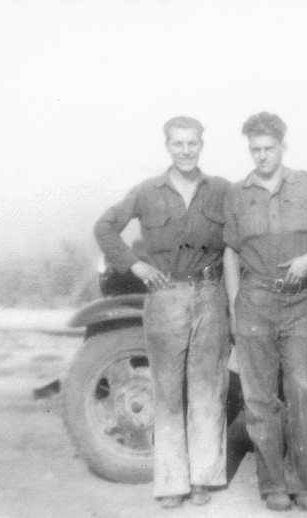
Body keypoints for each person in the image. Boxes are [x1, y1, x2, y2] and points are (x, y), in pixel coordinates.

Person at [95, 116, 232, 509]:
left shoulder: (221, 190)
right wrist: (133, 265)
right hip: (165, 296)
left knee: (207, 390)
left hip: (210, 295)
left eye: (192, 144)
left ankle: (204, 477)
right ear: (168, 146)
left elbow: (238, 239)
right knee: (168, 391)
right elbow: (105, 228)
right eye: (178, 144)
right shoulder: (146, 191)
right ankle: (172, 482)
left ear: (201, 145)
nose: (186, 151)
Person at [223, 112, 307, 512]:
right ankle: (272, 485)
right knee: (259, 399)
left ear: (282, 147)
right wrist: (235, 306)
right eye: (255, 149)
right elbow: (230, 252)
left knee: (300, 392)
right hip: (254, 300)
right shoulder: (238, 193)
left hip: (297, 302)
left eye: (268, 148)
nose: (261, 156)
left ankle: (304, 483)